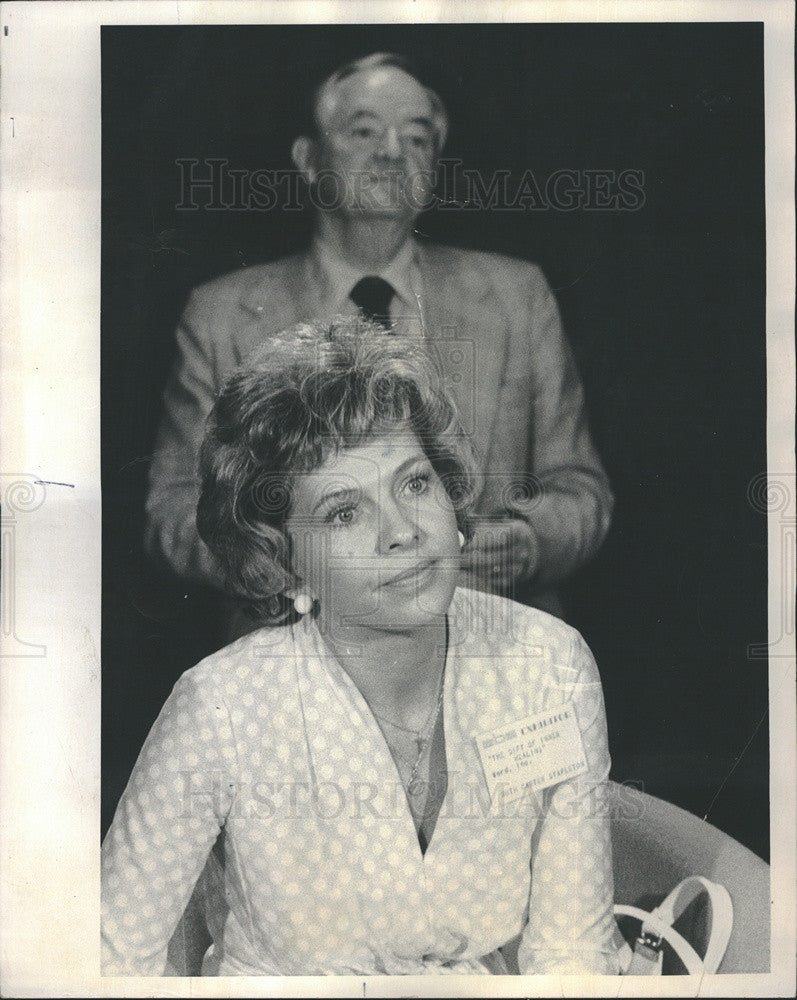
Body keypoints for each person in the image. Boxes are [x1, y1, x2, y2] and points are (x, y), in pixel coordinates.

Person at [103, 319, 621, 976]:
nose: (403, 532)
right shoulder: (220, 707)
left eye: (413, 483)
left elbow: (571, 954)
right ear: (283, 560)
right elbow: (107, 963)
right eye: (344, 512)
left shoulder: (547, 664)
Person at [144, 52, 613, 616]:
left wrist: (532, 543)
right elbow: (172, 510)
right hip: (294, 663)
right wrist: (284, 560)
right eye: (363, 130)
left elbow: (580, 487)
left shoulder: (517, 296)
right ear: (309, 158)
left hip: (489, 648)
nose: (392, 152)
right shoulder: (221, 315)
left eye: (417, 139)